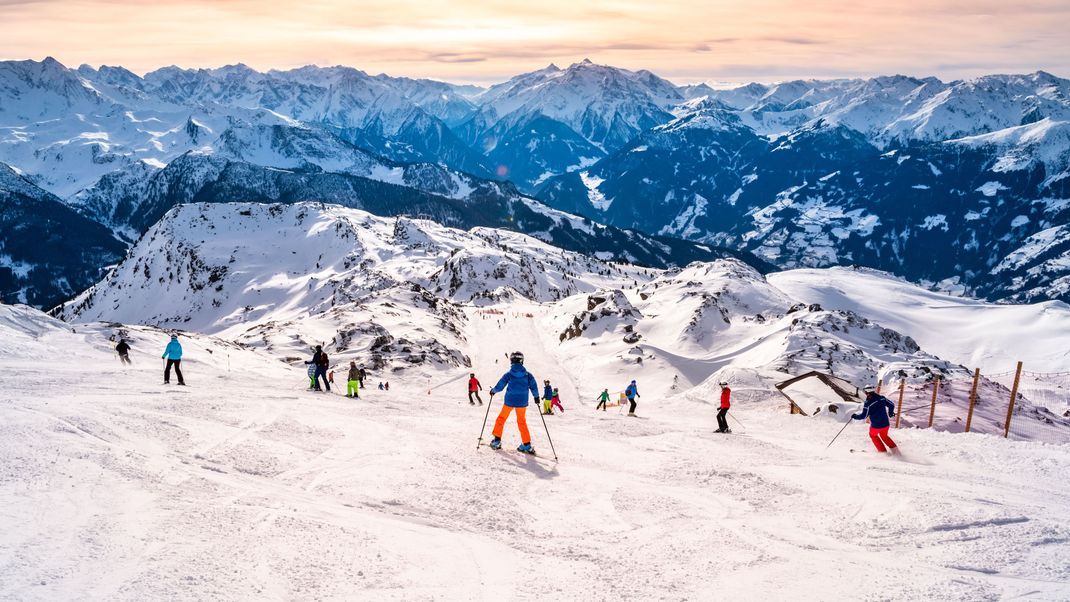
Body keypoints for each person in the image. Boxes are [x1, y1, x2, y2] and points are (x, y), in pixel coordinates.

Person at [488, 351, 539, 454]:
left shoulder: (508, 375)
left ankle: (497, 441)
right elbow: (533, 386)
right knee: (521, 422)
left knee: (501, 418)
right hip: (522, 402)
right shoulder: (528, 375)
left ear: (511, 361)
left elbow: (500, 386)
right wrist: (536, 397)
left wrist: (493, 391)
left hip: (509, 401)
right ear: (522, 361)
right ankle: (526, 445)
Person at [852, 386, 899, 453]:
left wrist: (855, 416)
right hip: (886, 424)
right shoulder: (882, 398)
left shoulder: (868, 403)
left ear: (867, 393)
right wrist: (890, 412)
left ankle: (883, 452)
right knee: (884, 436)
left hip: (876, 425)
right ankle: (896, 451)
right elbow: (891, 404)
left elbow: (864, 416)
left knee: (873, 435)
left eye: (865, 392)